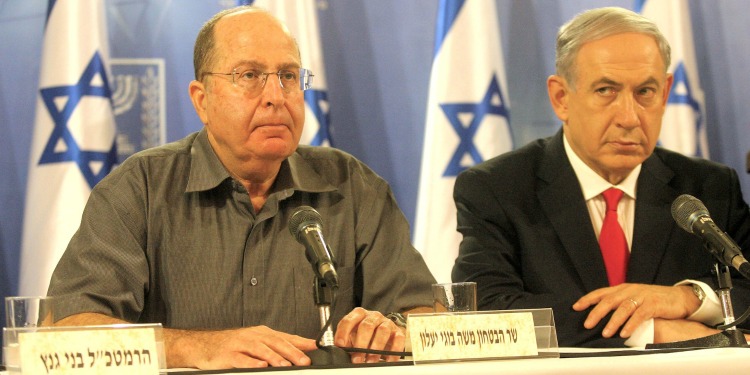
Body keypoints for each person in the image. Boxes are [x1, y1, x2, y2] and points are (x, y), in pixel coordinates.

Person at [46, 6, 435, 369]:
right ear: (202, 100)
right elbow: (69, 330)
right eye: (248, 76)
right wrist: (193, 347)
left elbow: (429, 317)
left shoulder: (353, 187)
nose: (275, 97)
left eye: (288, 76)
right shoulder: (140, 189)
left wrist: (395, 330)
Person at [451, 7, 750, 348]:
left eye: (645, 92)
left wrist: (688, 298)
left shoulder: (708, 188)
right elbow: (485, 315)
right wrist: (649, 331)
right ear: (561, 98)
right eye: (606, 90)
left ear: (665, 93)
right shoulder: (497, 189)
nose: (628, 117)